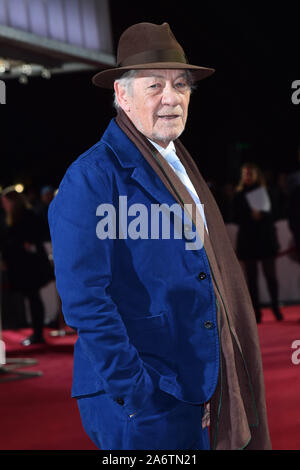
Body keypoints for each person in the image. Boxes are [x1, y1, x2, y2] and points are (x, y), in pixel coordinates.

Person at [48, 22, 271, 450]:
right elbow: (85, 301)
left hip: (189, 388)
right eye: (155, 86)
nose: (172, 97)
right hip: (141, 401)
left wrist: (206, 377)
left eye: (181, 85)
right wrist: (139, 393)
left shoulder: (177, 165)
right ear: (122, 96)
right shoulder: (92, 177)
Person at [0, 187, 54, 345]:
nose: (4, 206)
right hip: (24, 266)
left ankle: (38, 334)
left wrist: (26, 245)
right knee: (32, 299)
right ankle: (37, 333)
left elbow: (35, 236)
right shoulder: (15, 217)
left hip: (31, 268)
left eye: (5, 202)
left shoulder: (26, 216)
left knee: (34, 299)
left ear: (13, 202)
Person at [233, 162, 283, 323]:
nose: (247, 177)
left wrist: (262, 214)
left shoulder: (266, 192)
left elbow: (274, 214)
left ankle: (276, 307)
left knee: (271, 277)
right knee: (252, 280)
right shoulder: (239, 195)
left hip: (265, 239)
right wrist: (250, 215)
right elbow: (234, 216)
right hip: (249, 241)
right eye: (245, 174)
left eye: (250, 173)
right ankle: (256, 311)